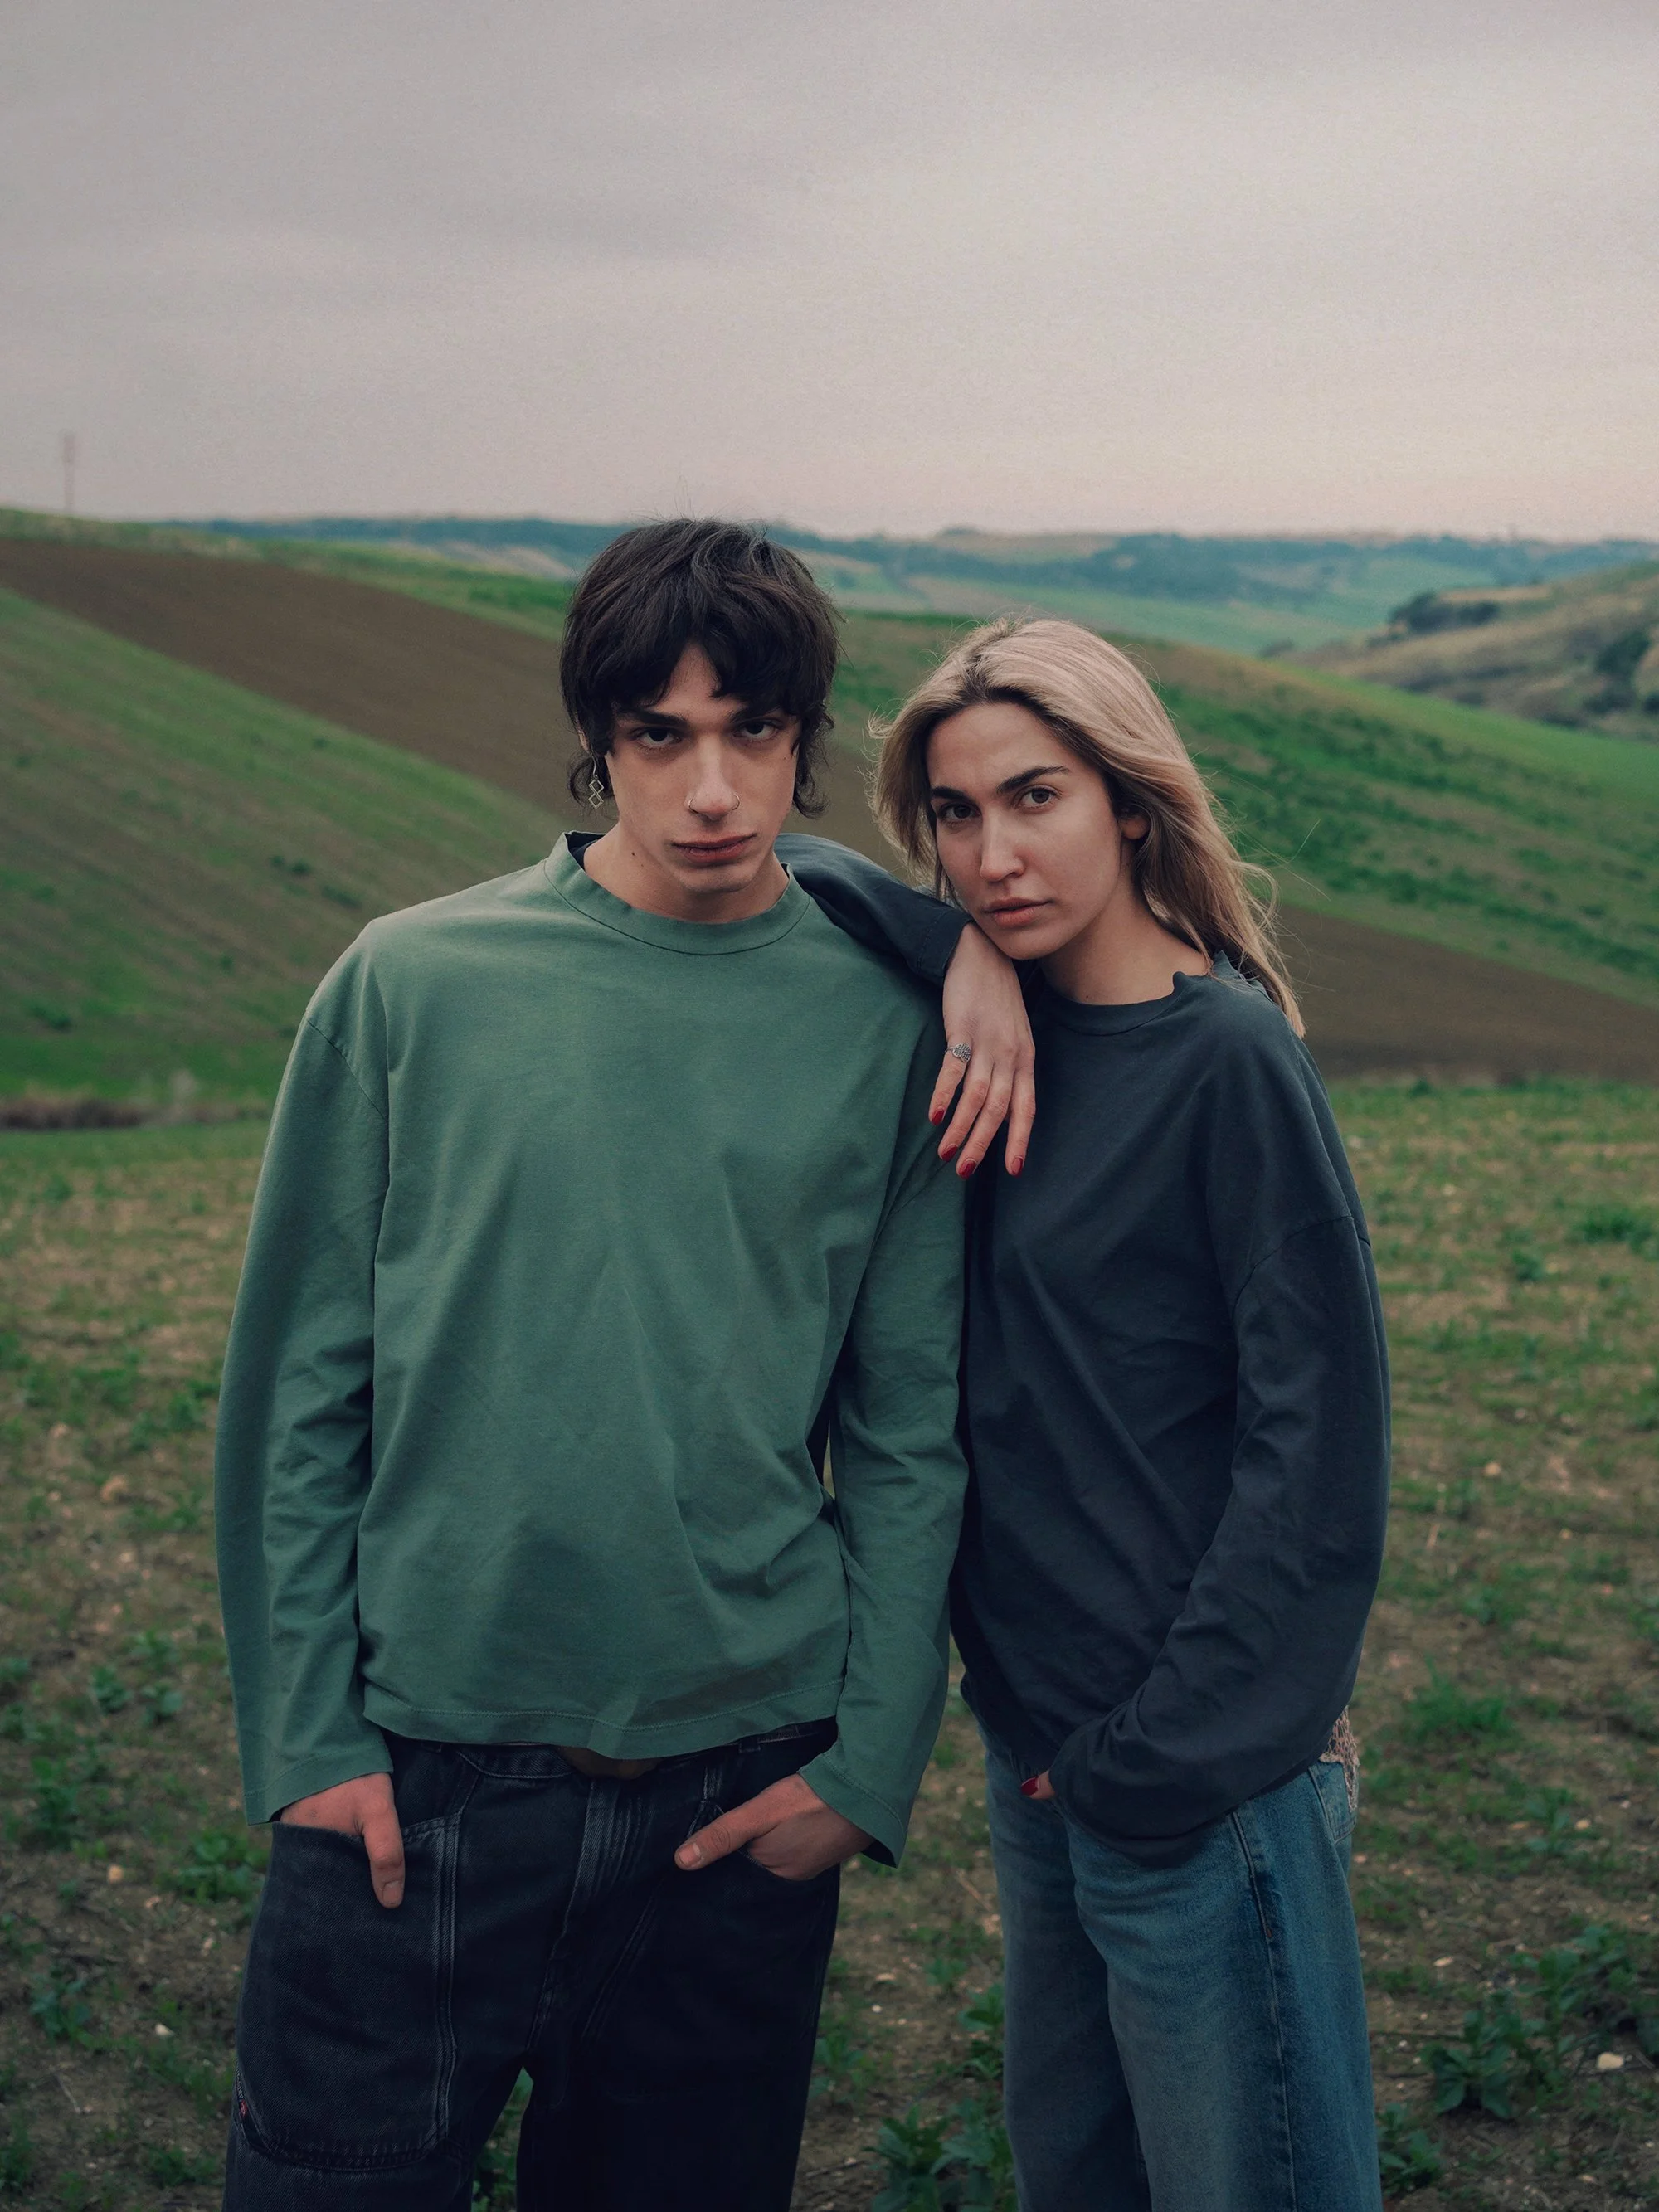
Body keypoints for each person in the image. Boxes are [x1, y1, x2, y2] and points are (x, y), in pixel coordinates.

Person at [212, 521, 1014, 2212]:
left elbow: (906, 1430)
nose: (711, 787)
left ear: (805, 736)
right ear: (599, 737)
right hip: (416, 1775)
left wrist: (866, 1762)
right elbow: (295, 1393)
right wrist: (307, 1737)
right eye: (661, 734)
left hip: (739, 1788)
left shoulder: (892, 1030)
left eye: (753, 731)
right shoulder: (411, 984)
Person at [786, 616, 1390, 2212]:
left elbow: (1316, 1459)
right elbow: (784, 858)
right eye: (956, 814)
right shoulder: (996, 1037)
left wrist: (1155, 1757)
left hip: (1199, 1770)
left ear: (1129, 801)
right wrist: (960, 956)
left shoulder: (1228, 1062)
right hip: (1042, 1748)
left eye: (1036, 797)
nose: (994, 853)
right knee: (1082, 2174)